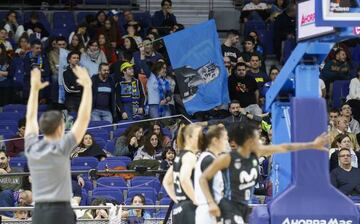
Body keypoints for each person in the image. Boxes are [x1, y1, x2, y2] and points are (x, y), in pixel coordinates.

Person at [199, 123, 328, 223]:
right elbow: (203, 179)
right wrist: (211, 203)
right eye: (256, 138)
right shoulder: (227, 158)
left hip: (244, 206)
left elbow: (284, 147)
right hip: (229, 206)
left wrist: (312, 144)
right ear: (248, 140)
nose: (259, 140)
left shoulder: (257, 152)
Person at [24, 65, 92, 224]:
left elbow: (30, 118)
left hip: (39, 213)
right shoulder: (62, 147)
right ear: (61, 128)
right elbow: (83, 118)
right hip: (60, 211)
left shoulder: (32, 147)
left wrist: (34, 90)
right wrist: (87, 86)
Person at [162, 124, 203, 224]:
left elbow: (166, 182)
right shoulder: (190, 156)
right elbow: (184, 178)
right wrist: (196, 201)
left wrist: (177, 200)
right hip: (190, 208)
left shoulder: (179, 157)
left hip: (178, 209)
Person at [195, 125, 228, 224]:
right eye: (225, 139)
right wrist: (212, 204)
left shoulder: (209, 158)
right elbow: (203, 181)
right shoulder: (208, 159)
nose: (227, 143)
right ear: (215, 141)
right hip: (208, 210)